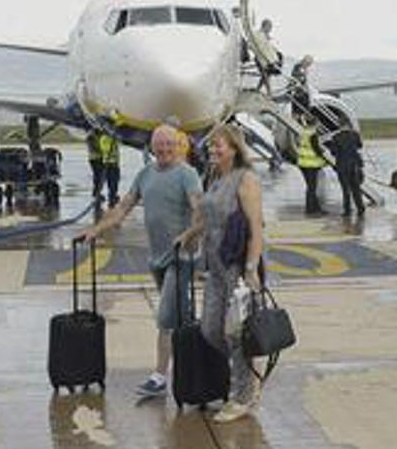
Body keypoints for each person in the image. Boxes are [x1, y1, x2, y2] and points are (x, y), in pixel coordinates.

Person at [77, 125, 202, 398]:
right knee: (182, 315)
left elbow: (199, 210)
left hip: (182, 257)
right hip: (157, 257)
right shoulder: (145, 174)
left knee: (166, 317)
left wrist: (190, 235)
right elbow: (123, 208)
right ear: (152, 148)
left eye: (170, 144)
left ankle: (159, 376)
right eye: (160, 145)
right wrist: (95, 230)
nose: (165, 150)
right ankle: (199, 357)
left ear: (178, 146)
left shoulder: (187, 174)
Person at [175, 125, 265, 423]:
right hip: (213, 266)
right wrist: (190, 233)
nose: (212, 151)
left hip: (238, 266)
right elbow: (208, 217)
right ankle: (248, 373)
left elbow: (255, 229)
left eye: (219, 146)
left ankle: (242, 395)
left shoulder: (246, 179)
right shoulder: (215, 177)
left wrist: (251, 270)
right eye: (211, 146)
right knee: (211, 329)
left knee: (236, 331)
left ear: (235, 149)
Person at [325, 125, 365, 217]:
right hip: (354, 165)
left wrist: (330, 145)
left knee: (345, 189)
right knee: (356, 188)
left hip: (342, 166)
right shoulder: (355, 134)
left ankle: (347, 211)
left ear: (340, 127)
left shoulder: (336, 137)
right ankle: (360, 208)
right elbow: (360, 146)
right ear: (348, 126)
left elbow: (334, 152)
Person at [297, 116, 327, 215]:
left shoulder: (303, 132)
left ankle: (316, 208)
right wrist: (324, 156)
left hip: (302, 163)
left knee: (310, 187)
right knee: (312, 188)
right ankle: (310, 210)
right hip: (311, 164)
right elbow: (316, 150)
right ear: (315, 123)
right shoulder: (313, 134)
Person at [86, 128, 120, 208]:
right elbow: (100, 148)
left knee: (103, 178)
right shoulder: (98, 137)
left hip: (102, 160)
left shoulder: (101, 137)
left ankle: (102, 194)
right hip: (99, 160)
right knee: (102, 178)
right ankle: (101, 194)